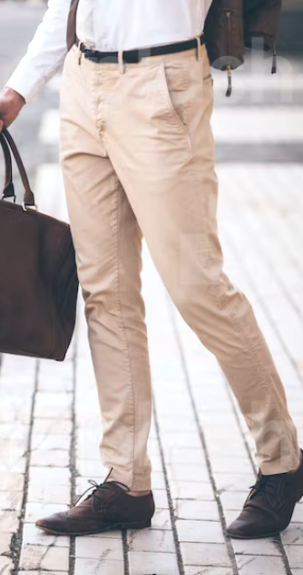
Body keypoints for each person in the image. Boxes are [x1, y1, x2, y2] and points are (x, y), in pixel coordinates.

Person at [1, 0, 302, 540]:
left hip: (161, 84)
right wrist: (20, 86)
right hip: (83, 82)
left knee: (198, 288)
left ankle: (283, 461)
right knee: (105, 294)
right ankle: (126, 482)